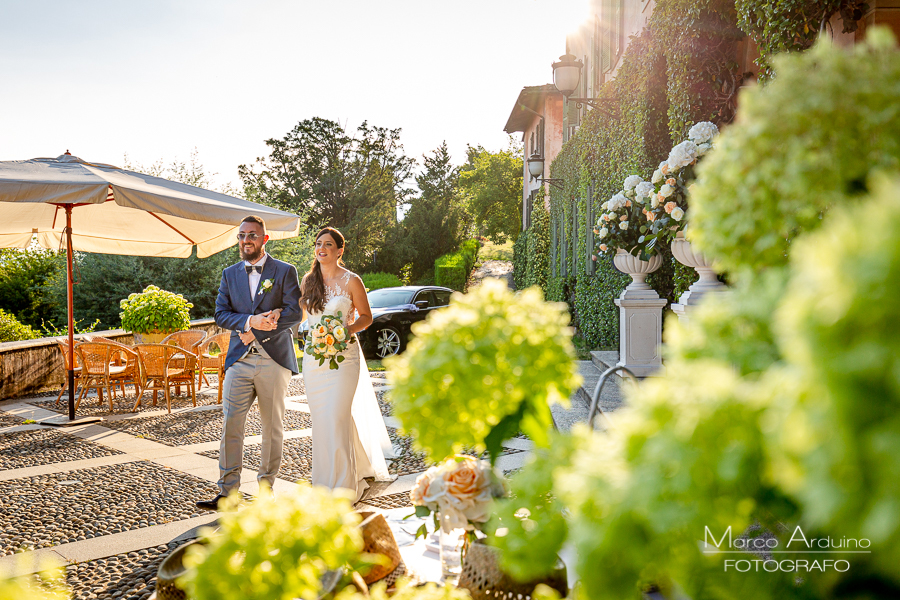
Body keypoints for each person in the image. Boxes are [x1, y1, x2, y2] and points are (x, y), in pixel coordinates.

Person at [196, 215, 302, 511]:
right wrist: (248, 321)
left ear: (264, 239)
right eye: (242, 236)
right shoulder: (229, 274)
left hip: (274, 360)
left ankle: (266, 490)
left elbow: (296, 313)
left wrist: (254, 330)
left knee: (272, 427)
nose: (246, 241)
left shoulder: (284, 271)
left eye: (252, 235)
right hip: (239, 362)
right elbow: (220, 314)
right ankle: (228, 493)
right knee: (231, 424)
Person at [301, 227, 394, 502]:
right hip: (313, 360)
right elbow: (298, 315)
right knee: (322, 420)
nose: (322, 248)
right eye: (318, 244)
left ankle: (343, 488)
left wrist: (345, 331)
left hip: (344, 357)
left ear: (339, 250)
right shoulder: (308, 281)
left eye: (328, 244)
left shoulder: (352, 280)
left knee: (337, 416)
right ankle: (323, 483)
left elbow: (367, 317)